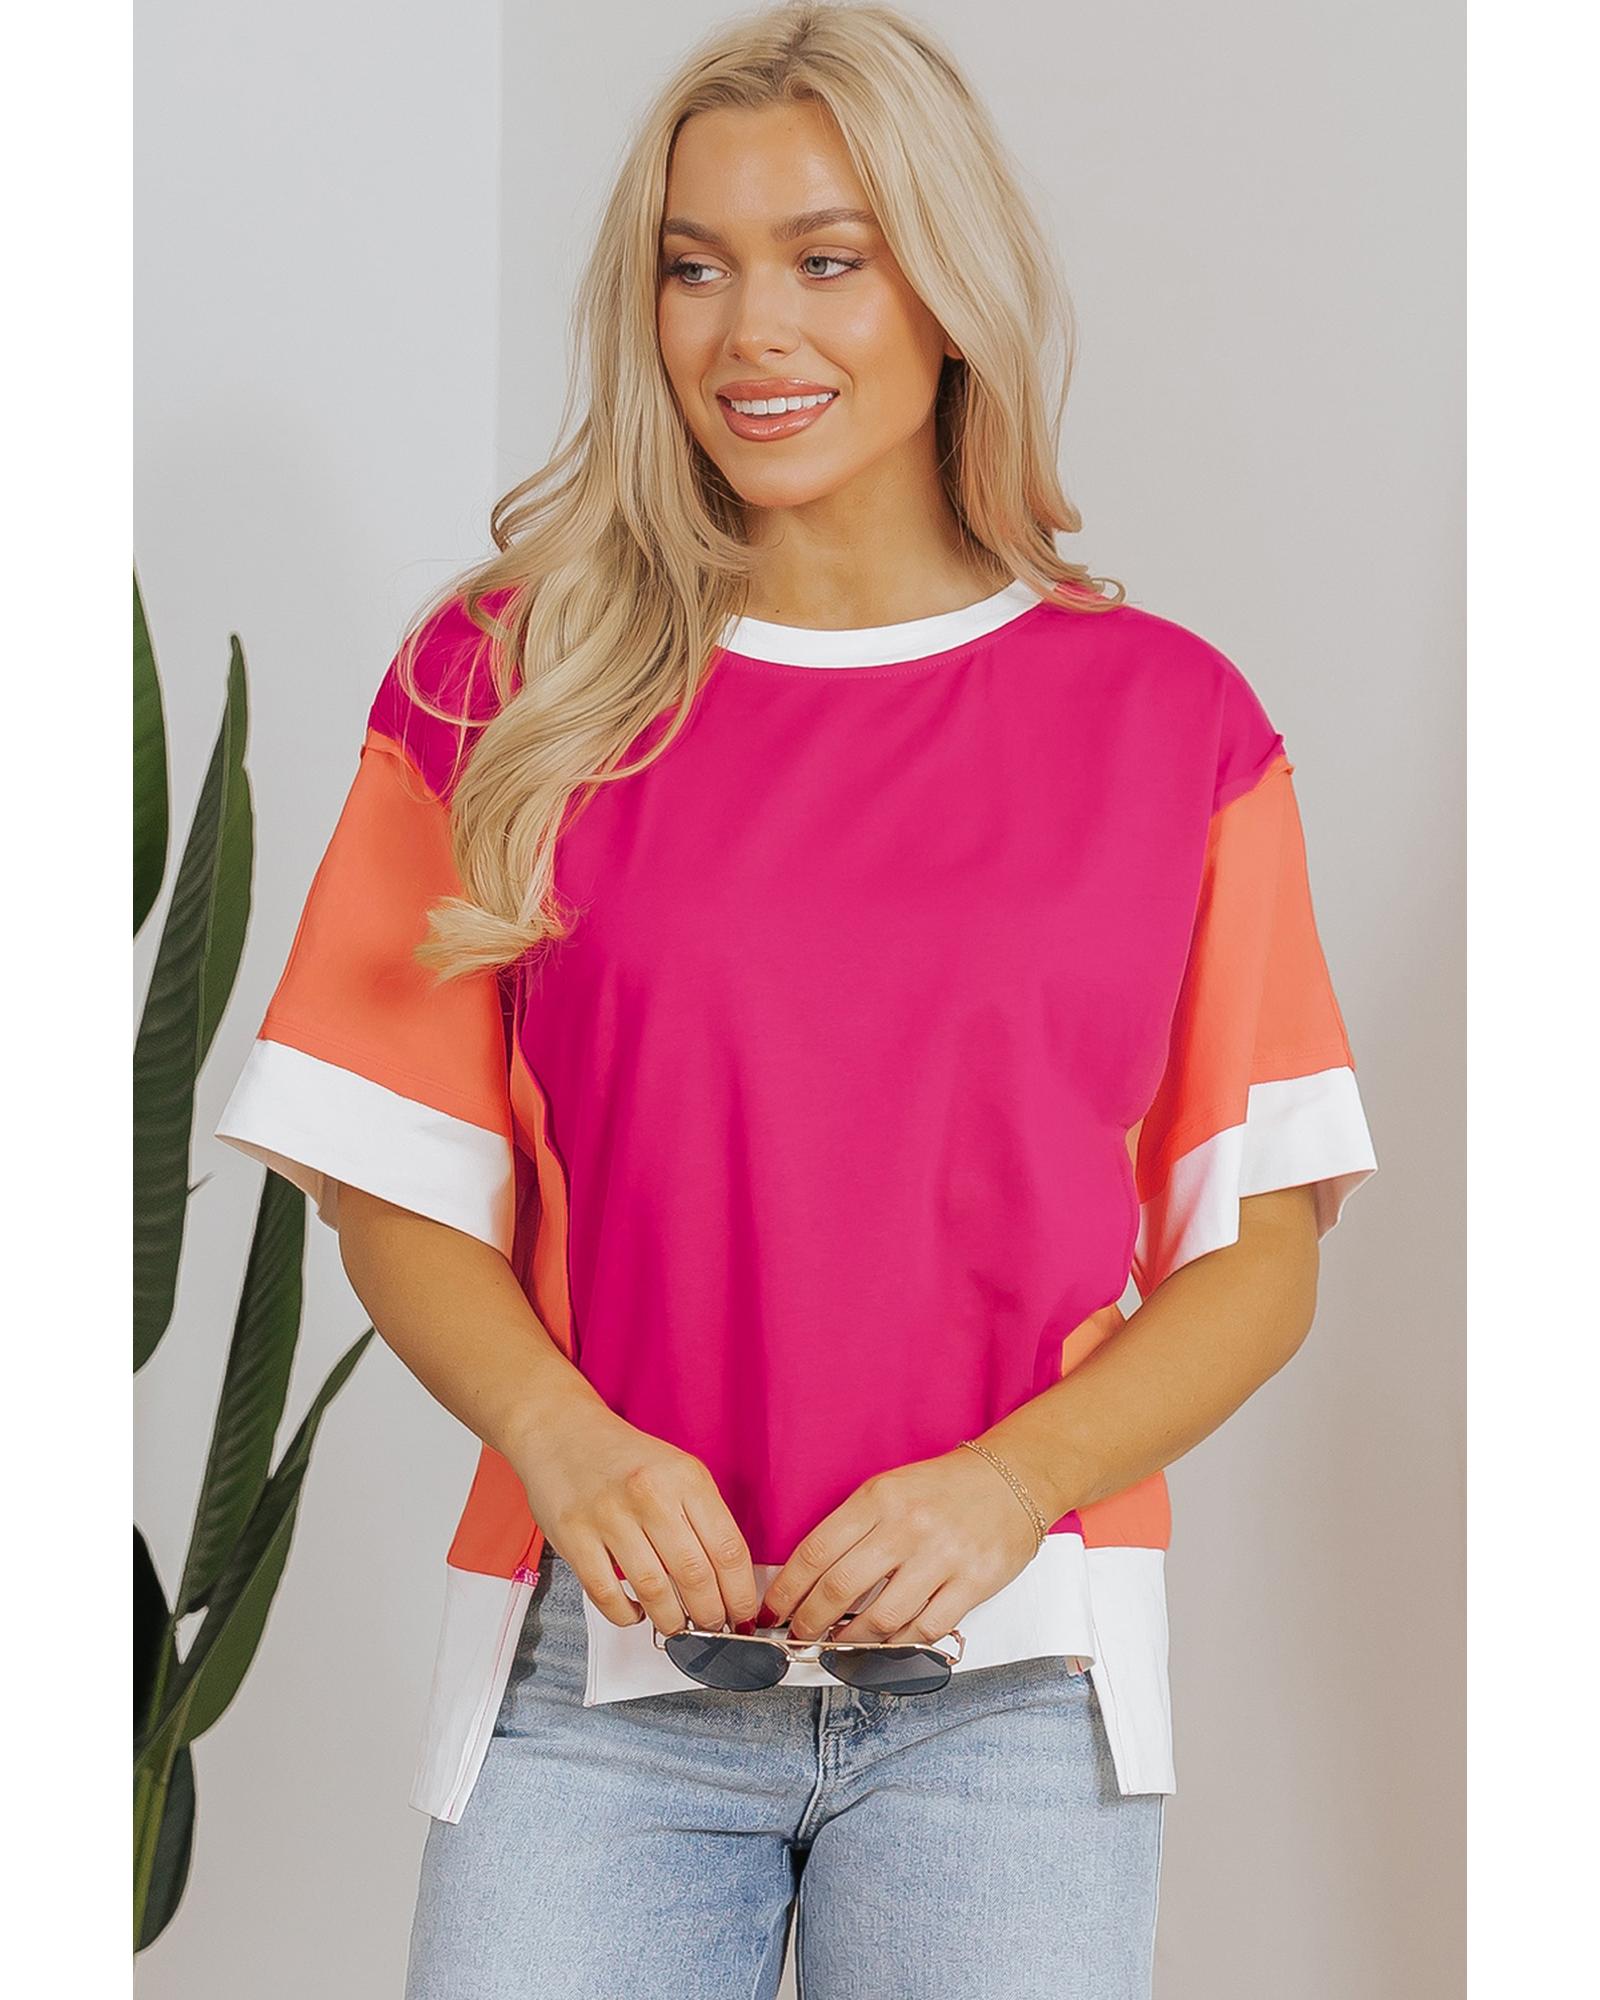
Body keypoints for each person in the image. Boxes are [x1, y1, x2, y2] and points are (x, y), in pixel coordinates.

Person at [213, 4, 1378, 1994]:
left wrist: (1010, 1484)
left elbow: (1256, 1251)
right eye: (696, 267)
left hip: (1013, 1693)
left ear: (947, 290)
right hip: (599, 1681)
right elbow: (393, 1180)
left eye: (826, 259)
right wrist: (563, 1438)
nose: (751, 331)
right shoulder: (505, 686)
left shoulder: (1168, 723)